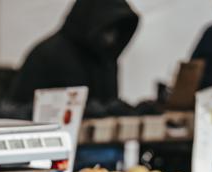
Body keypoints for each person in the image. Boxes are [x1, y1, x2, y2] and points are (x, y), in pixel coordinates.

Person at [9, 0, 139, 106]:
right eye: (107, 29)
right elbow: (18, 107)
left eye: (116, 31)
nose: (111, 38)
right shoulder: (48, 54)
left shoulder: (106, 59)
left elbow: (109, 105)